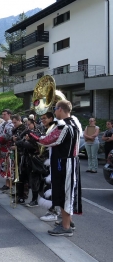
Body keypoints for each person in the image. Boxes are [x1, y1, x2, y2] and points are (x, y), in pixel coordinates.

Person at [29, 100, 82, 237]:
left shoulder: (64, 126)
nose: (54, 110)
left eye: (55, 108)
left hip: (65, 164)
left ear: (60, 109)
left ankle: (66, 227)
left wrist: (31, 134)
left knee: (64, 195)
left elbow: (46, 141)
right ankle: (67, 222)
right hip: (68, 162)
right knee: (65, 194)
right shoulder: (74, 123)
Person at [0, 109, 14, 190]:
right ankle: (7, 184)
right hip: (3, 148)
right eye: (2, 114)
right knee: (4, 166)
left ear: (9, 114)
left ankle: (9, 184)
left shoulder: (11, 124)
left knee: (9, 166)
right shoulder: (3, 124)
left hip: (9, 148)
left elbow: (8, 135)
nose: (3, 116)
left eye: (5, 114)